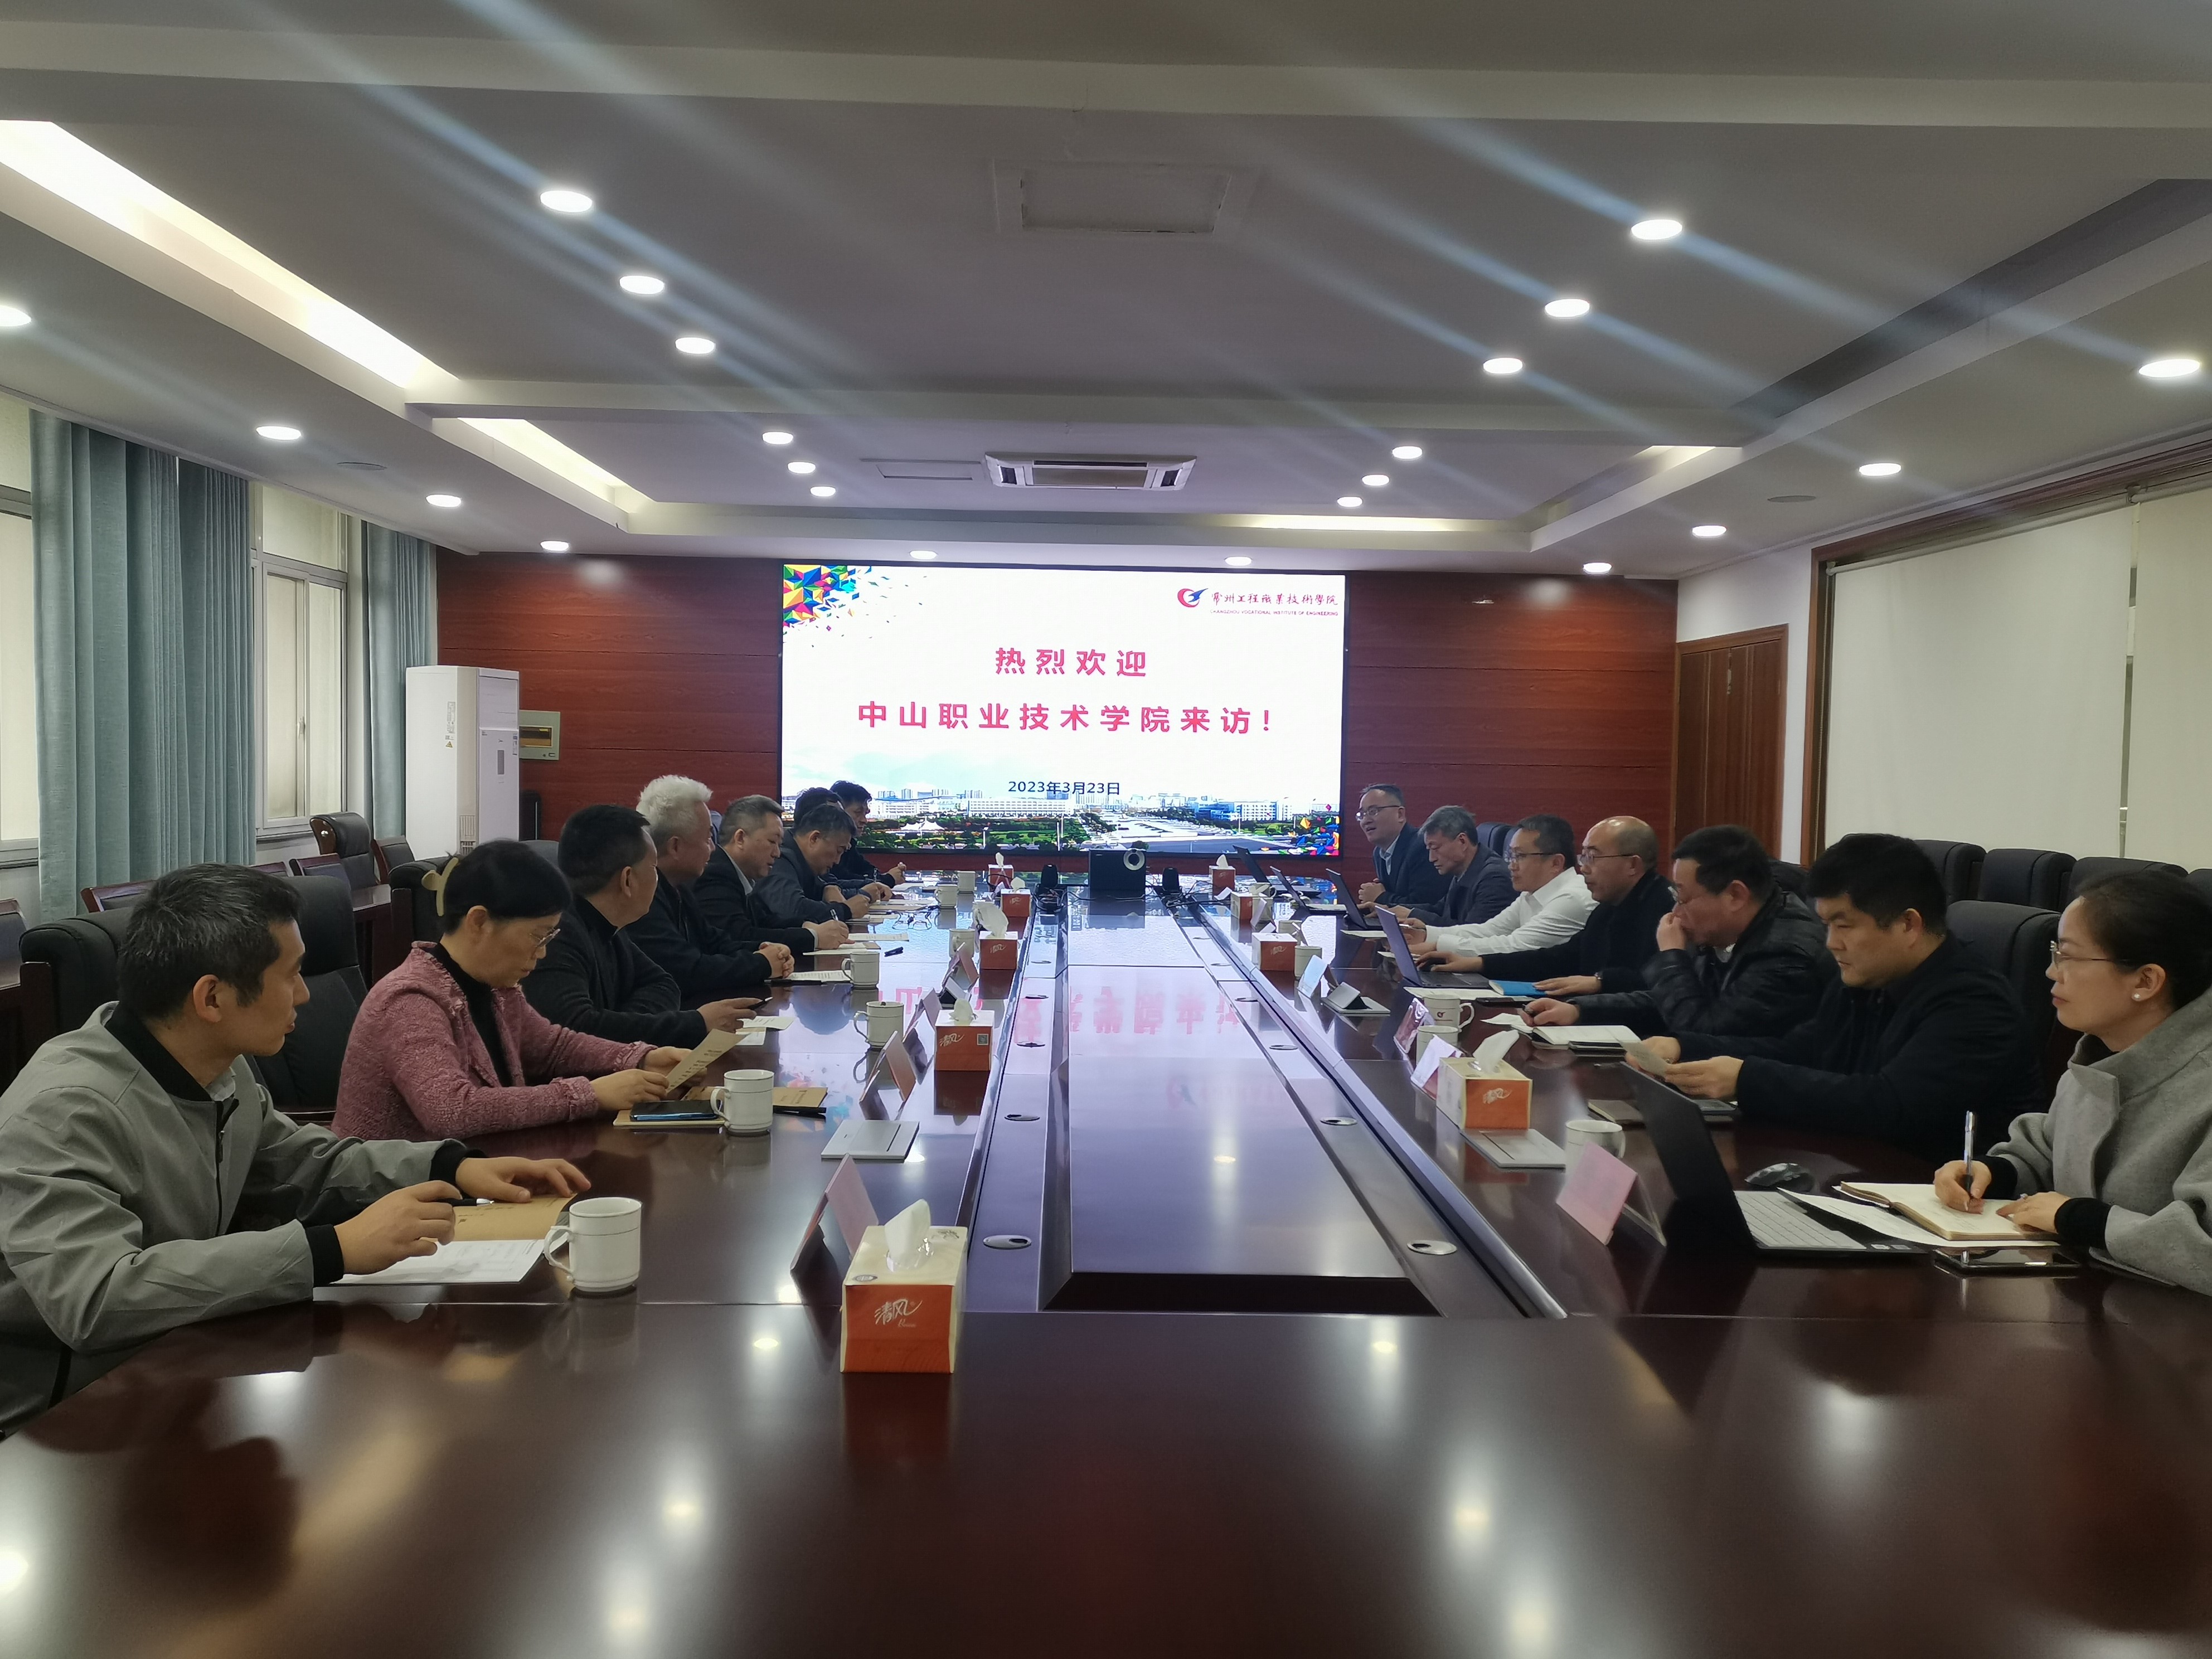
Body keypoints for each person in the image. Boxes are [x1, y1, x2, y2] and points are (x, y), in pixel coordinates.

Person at [0, 865, 587, 1422]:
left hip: (183, 1361)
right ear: (212, 999)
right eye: (290, 974)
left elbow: (305, 1162)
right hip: (65, 1419)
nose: (305, 995)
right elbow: (97, 1299)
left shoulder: (215, 1065)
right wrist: (329, 1250)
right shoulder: (64, 1111)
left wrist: (450, 1166)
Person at [1648, 833, 2043, 1166]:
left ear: (1908, 924)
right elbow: (1803, 1049)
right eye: (1827, 925)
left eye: (1844, 926)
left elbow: (1889, 1106)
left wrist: (1746, 1080)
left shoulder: (1975, 1005)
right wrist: (1687, 1047)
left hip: (1939, 1200)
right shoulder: (1868, 978)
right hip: (1860, 1173)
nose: (1831, 943)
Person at [1937, 870, 2212, 1292]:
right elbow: (2052, 1149)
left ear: (2146, 981)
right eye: (2054, 953)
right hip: (2095, 1298)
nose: (2052, 972)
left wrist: (2082, 1220)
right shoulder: (2104, 1052)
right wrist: (1997, 1172)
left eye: (2068, 957)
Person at [334, 840, 686, 1142]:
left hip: (482, 1165)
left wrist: (640, 1058)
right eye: (538, 936)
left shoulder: (497, 989)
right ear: (479, 921)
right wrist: (589, 1094)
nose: (543, 953)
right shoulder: (410, 1001)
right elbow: (453, 1110)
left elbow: (554, 1048)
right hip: (397, 1192)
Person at [1533, 824, 1835, 1038]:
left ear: (1735, 896)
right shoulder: (1732, 929)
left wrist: (1673, 957)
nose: (1676, 912)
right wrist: (1580, 1010)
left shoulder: (1784, 954)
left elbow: (1703, 1033)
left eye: (1684, 898)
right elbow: (1673, 1001)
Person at [523, 804, 757, 1047]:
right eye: (654, 869)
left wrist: (621, 1023)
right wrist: (696, 1023)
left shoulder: (611, 927)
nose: (658, 881)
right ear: (628, 880)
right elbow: (577, 1031)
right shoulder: (557, 935)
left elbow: (664, 984)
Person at [1449, 817, 1672, 990]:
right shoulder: (1608, 906)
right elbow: (1562, 956)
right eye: (1583, 857)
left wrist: (1596, 989)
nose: (1584, 868)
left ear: (1633, 865)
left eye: (1593, 857)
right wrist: (1481, 963)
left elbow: (1655, 988)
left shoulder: (1664, 910)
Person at [628, 775, 794, 997]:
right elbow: (687, 970)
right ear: (675, 846)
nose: (714, 848)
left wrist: (766, 949)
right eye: (708, 838)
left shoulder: (678, 887)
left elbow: (715, 941)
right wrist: (762, 964)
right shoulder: (641, 895)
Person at [1404, 815, 1595, 966]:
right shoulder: (1531, 893)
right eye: (1510, 855)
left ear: (1556, 863)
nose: (1511, 865)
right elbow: (1490, 930)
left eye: (1519, 856)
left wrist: (1439, 945)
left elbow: (1514, 946)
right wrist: (1427, 933)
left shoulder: (1572, 899)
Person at [696, 794, 848, 954]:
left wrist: (806, 925)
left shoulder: (742, 875)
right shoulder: (715, 875)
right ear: (740, 838)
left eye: (779, 845)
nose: (777, 853)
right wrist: (813, 937)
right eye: (772, 842)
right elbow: (739, 936)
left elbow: (766, 921)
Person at [1389, 806, 1514, 929]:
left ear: (1462, 841)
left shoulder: (1494, 879)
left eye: (1435, 848)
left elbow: (1471, 933)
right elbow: (1441, 909)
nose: (1431, 858)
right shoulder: (1463, 869)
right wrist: (1392, 909)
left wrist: (1412, 914)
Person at [758, 798, 875, 928]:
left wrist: (828, 888)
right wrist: (845, 910)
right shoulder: (781, 857)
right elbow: (791, 909)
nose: (837, 861)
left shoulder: (801, 859)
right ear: (814, 838)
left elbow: (820, 893)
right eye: (839, 851)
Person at [1352, 784, 1447, 913]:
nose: (1365, 821)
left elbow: (1426, 907)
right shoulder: (1379, 853)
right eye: (1362, 815)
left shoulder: (1422, 847)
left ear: (1400, 814)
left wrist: (1380, 897)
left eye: (1373, 811)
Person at [828, 781, 907, 895]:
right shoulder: (828, 845)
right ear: (838, 811)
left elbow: (867, 869)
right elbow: (839, 880)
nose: (864, 820)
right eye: (858, 813)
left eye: (865, 814)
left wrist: (882, 879)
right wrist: (887, 879)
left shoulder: (850, 844)